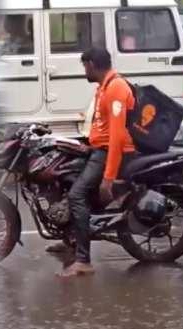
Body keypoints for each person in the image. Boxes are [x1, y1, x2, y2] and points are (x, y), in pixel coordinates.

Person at [50, 47, 135, 278]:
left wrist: (108, 179)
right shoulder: (104, 87)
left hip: (109, 153)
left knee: (77, 195)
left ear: (92, 65)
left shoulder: (116, 88)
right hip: (98, 150)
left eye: (84, 66)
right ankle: (71, 239)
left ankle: (83, 261)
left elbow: (116, 137)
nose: (84, 71)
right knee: (67, 178)